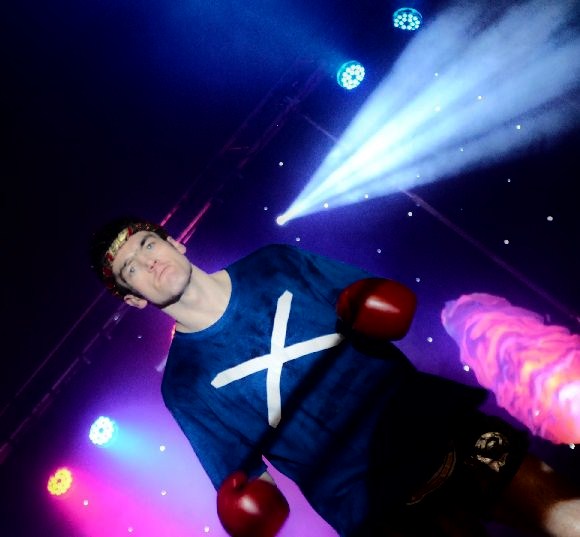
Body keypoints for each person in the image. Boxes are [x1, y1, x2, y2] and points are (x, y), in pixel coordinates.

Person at [89, 216, 580, 537]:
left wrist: (373, 303)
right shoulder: (183, 385)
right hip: (372, 505)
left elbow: (374, 298)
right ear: (133, 298)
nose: (149, 261)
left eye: (148, 244)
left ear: (174, 241)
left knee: (570, 517)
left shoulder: (274, 264)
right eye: (132, 269)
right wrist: (254, 507)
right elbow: (245, 478)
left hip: (432, 427)